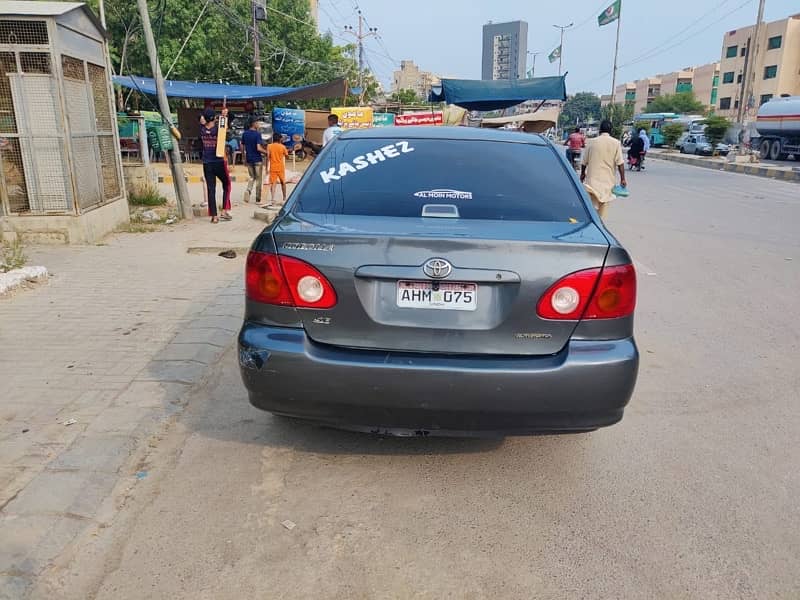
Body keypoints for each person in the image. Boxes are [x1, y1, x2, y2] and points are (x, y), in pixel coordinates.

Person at [580, 120, 626, 220]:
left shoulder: (591, 142)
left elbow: (584, 162)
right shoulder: (616, 143)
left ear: (600, 129)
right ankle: (600, 225)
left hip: (592, 182)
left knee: (591, 209)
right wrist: (623, 179)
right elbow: (620, 163)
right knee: (603, 210)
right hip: (607, 183)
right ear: (611, 130)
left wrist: (582, 174)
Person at [199, 108, 232, 223]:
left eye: (203, 116)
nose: (201, 118)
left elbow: (212, 124)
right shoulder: (218, 130)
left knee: (211, 189)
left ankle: (214, 216)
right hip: (219, 162)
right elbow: (225, 127)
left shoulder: (202, 130)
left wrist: (222, 117)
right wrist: (224, 116)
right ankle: (224, 210)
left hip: (207, 163)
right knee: (227, 184)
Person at [241, 117, 267, 204]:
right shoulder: (257, 134)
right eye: (257, 123)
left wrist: (243, 157)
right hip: (257, 160)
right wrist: (267, 152)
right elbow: (258, 148)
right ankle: (258, 198)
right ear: (253, 124)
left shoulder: (245, 134)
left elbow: (242, 146)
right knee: (259, 179)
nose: (259, 125)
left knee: (252, 177)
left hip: (249, 158)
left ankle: (248, 190)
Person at [266, 132, 289, 204]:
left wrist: (267, 167)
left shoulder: (269, 146)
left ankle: (272, 198)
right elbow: (287, 156)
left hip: (273, 167)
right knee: (283, 182)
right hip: (280, 167)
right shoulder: (282, 147)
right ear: (279, 139)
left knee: (273, 183)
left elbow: (268, 157)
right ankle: (284, 197)